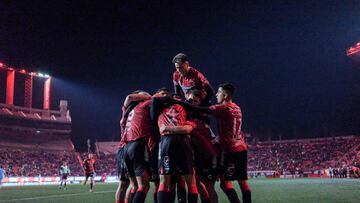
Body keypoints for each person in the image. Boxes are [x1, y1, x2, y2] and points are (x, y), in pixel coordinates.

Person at [155, 83, 252, 203]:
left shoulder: (198, 118)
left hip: (215, 155)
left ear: (225, 95)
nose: (191, 103)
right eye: (190, 100)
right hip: (234, 148)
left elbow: (188, 125)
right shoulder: (236, 107)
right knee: (203, 183)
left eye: (195, 101)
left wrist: (166, 128)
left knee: (213, 186)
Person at [150, 90, 199, 203]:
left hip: (167, 140)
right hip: (183, 140)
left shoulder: (160, 107)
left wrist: (166, 128)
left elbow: (153, 102)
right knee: (190, 182)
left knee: (164, 181)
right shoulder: (184, 107)